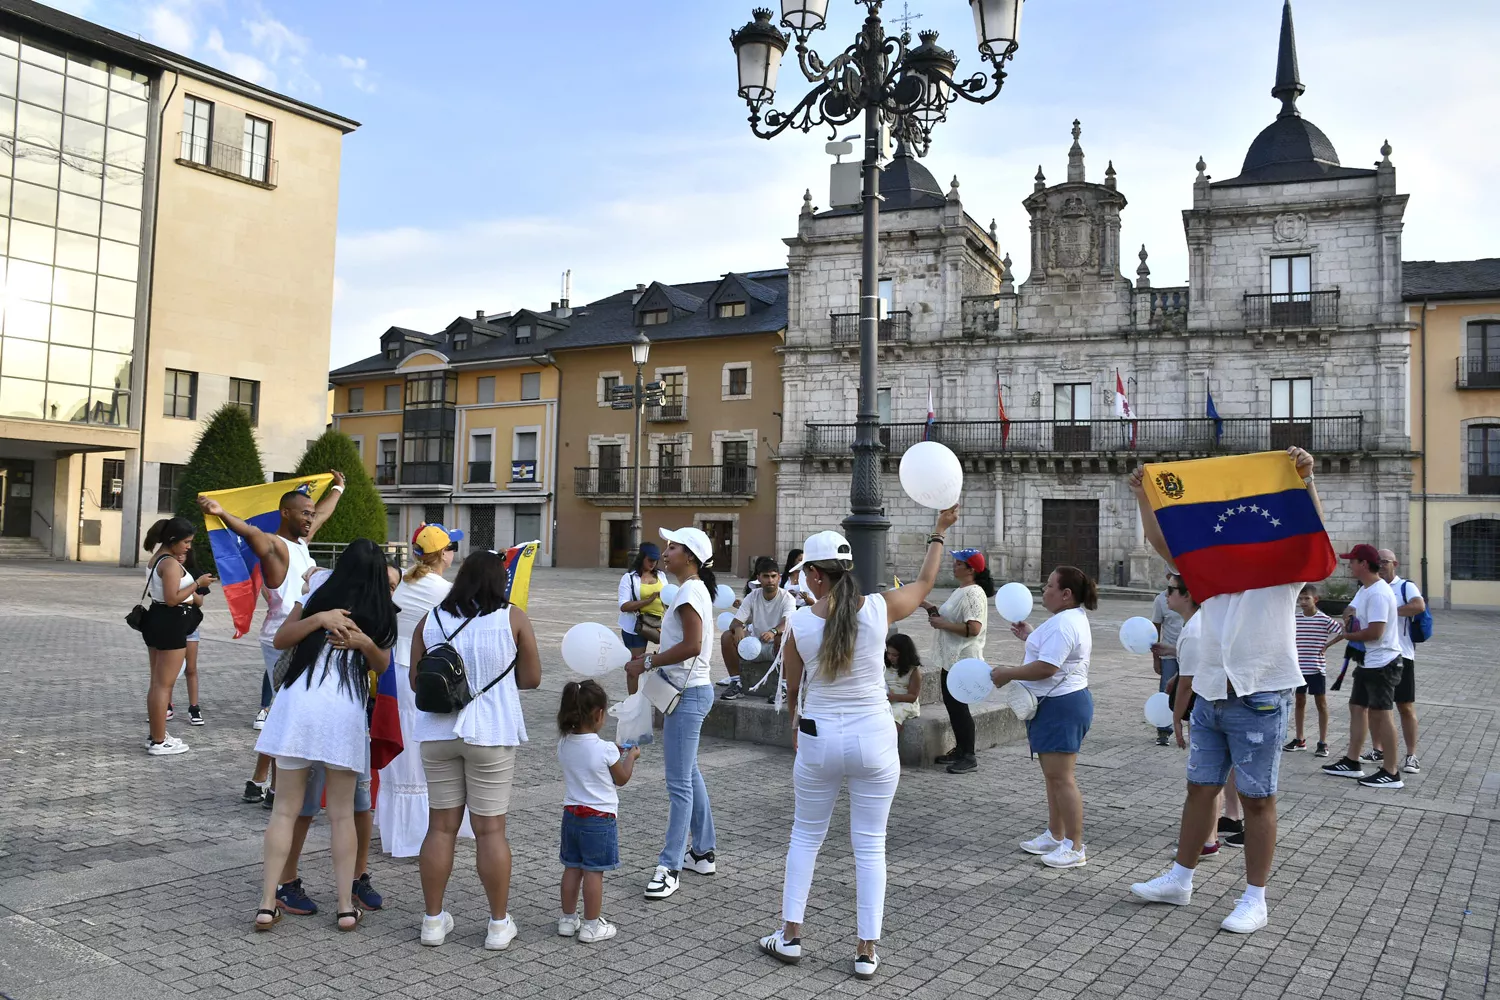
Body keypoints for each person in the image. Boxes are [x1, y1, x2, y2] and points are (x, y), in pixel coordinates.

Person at [757, 508, 956, 980]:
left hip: (820, 737)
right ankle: (866, 951)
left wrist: (793, 725)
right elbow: (926, 584)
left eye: (805, 572)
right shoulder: (879, 608)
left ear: (813, 575)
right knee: (870, 846)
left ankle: (789, 936)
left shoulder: (800, 624)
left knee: (805, 837)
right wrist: (938, 532)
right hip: (874, 737)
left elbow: (791, 688)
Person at [1125, 447, 1317, 934]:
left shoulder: (1282, 572)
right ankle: (1181, 878)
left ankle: (1256, 898)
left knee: (1257, 799)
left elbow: (1312, 537)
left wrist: (1305, 480)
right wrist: (1143, 495)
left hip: (1260, 692)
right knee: (1199, 790)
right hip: (1212, 691)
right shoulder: (1210, 571)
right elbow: (1160, 541)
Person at [251, 538, 397, 932]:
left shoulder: (319, 589)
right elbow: (383, 667)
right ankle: (346, 908)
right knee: (342, 815)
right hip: (341, 713)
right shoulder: (381, 605)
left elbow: (280, 638)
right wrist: (361, 640)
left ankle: (267, 903)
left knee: (285, 809)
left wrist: (320, 618)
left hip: (297, 706)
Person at [410, 550, 542, 950]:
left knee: (440, 827)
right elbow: (532, 678)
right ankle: (498, 926)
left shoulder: (430, 619)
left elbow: (418, 681)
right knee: (490, 831)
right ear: (499, 581)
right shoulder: (512, 617)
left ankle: (433, 922)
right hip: (489, 732)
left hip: (438, 731)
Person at [199, 475, 344, 805]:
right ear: (285, 514)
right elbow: (251, 534)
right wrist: (221, 513)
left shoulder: (301, 545)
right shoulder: (276, 547)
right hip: (283, 638)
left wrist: (338, 488)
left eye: (310, 513)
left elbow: (324, 513)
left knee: (282, 711)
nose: (311, 517)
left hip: (300, 634)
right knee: (290, 714)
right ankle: (276, 789)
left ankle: (259, 782)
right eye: (304, 513)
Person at [624, 526, 720, 901]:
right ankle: (703, 852)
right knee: (689, 773)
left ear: (691, 556)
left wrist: (648, 660)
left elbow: (693, 645)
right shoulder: (691, 589)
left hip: (689, 693)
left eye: (673, 547)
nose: (666, 552)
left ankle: (670, 867)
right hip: (691, 692)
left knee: (678, 783)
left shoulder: (690, 591)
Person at [990, 566, 1096, 869]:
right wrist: (1031, 636)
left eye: (1050, 586)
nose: (1043, 590)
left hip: (1062, 705)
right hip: (1057, 703)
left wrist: (1008, 672)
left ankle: (1075, 846)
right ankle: (1055, 834)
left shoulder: (1064, 623)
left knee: (1062, 778)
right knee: (1053, 777)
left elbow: (1047, 668)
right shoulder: (1065, 619)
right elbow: (1054, 657)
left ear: (1066, 594)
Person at [375, 525, 459, 860]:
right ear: (442, 554)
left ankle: (398, 828)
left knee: (404, 750)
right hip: (427, 674)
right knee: (426, 751)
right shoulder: (444, 590)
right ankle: (421, 834)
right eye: (451, 547)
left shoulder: (404, 585)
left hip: (396, 672)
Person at [556, 679, 639, 944]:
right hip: (599, 820)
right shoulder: (605, 749)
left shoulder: (564, 744)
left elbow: (586, 761)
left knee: (572, 868)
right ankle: (592, 926)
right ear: (599, 714)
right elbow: (622, 778)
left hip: (571, 815)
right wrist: (631, 757)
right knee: (593, 872)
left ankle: (568, 920)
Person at [1321, 544, 1405, 788]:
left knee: (1382, 715)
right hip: (1369, 661)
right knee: (1357, 707)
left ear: (1364, 564)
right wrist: (1349, 620)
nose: (1349, 565)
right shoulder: (1366, 589)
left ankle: (1391, 772)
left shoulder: (1378, 593)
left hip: (1383, 662)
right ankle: (1352, 761)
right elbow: (1349, 611)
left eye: (1353, 561)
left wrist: (1348, 635)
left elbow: (1376, 633)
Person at [1162, 574, 1224, 855]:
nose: (1166, 595)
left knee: (1203, 779)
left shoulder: (1193, 629)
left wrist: (1176, 719)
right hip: (1213, 701)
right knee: (1213, 778)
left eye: (1171, 590)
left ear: (1187, 595)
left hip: (1205, 705)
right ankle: (1208, 838)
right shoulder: (1199, 623)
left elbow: (1187, 684)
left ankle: (1204, 840)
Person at [140, 518, 213, 756]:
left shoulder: (157, 558)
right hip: (170, 621)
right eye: (186, 542)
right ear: (172, 540)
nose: (189, 547)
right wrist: (198, 584)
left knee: (157, 683)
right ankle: (159, 741)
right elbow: (173, 598)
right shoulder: (170, 563)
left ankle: (157, 735)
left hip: (157, 619)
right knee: (164, 684)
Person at [928, 549, 995, 775]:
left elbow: (973, 628)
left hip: (963, 660)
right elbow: (952, 618)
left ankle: (969, 755)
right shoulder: (962, 590)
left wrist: (943, 625)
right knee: (953, 707)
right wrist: (928, 606)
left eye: (958, 564)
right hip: (952, 659)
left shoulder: (973, 593)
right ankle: (961, 750)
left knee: (959, 709)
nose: (953, 566)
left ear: (971, 569)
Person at [1375, 549, 1424, 774]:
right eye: (1378, 562)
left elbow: (1418, 606)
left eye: (1385, 562)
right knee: (1377, 706)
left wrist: (1389, 612)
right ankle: (1379, 749)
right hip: (1378, 655)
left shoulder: (1405, 586)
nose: (1382, 565)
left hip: (1402, 655)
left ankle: (1411, 755)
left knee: (1404, 706)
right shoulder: (1373, 588)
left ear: (1395, 563)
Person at [721, 556, 795, 701]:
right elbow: (736, 621)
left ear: (779, 578)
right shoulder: (752, 596)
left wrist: (774, 632)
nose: (770, 580)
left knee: (788, 637)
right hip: (754, 645)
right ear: (758, 578)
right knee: (727, 636)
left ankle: (784, 686)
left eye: (773, 576)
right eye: (766, 576)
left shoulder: (787, 598)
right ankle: (737, 683)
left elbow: (788, 621)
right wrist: (738, 628)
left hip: (776, 646)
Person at [1287, 584, 1340, 756]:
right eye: (1300, 599)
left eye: (1306, 599)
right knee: (1299, 701)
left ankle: (1323, 742)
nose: (1303, 602)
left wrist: (1328, 645)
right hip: (1298, 668)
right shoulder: (1295, 619)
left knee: (1321, 703)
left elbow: (1343, 631)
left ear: (1315, 599)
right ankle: (1300, 738)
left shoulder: (1324, 620)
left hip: (1316, 668)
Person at [617, 543, 665, 695]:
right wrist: (648, 601)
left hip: (658, 624)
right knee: (635, 665)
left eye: (655, 561)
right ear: (641, 558)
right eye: (650, 560)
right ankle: (633, 702)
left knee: (664, 659)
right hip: (636, 626)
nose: (653, 563)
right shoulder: (630, 578)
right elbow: (624, 605)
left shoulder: (661, 576)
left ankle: (646, 697)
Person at [1151, 573, 1185, 746]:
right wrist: (1156, 659)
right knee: (1166, 690)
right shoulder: (1161, 600)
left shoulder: (1192, 597)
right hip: (1169, 654)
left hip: (1189, 653)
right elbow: (1155, 629)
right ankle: (1163, 729)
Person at [884, 634, 922, 731]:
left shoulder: (913, 671)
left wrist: (894, 697)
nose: (890, 658)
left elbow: (913, 696)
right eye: (888, 654)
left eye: (894, 655)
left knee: (893, 714)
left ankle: (891, 741)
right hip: (887, 700)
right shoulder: (885, 666)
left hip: (905, 703)